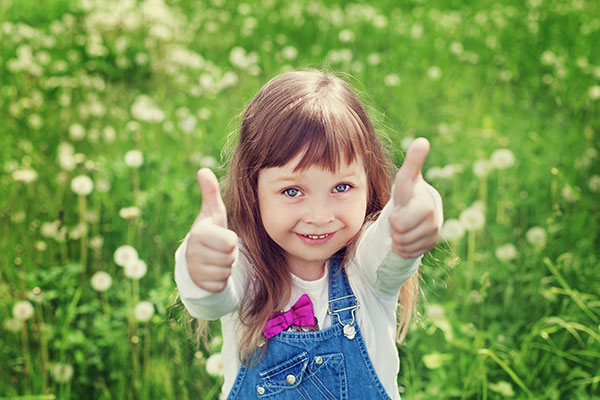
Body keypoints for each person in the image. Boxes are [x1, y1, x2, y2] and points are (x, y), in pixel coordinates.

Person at [174, 69, 443, 399]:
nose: (319, 217)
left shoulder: (367, 268)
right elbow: (211, 300)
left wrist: (413, 215)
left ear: (368, 182)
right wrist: (201, 268)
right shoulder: (245, 267)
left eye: (341, 187)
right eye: (292, 191)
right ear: (252, 188)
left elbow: (391, 248)